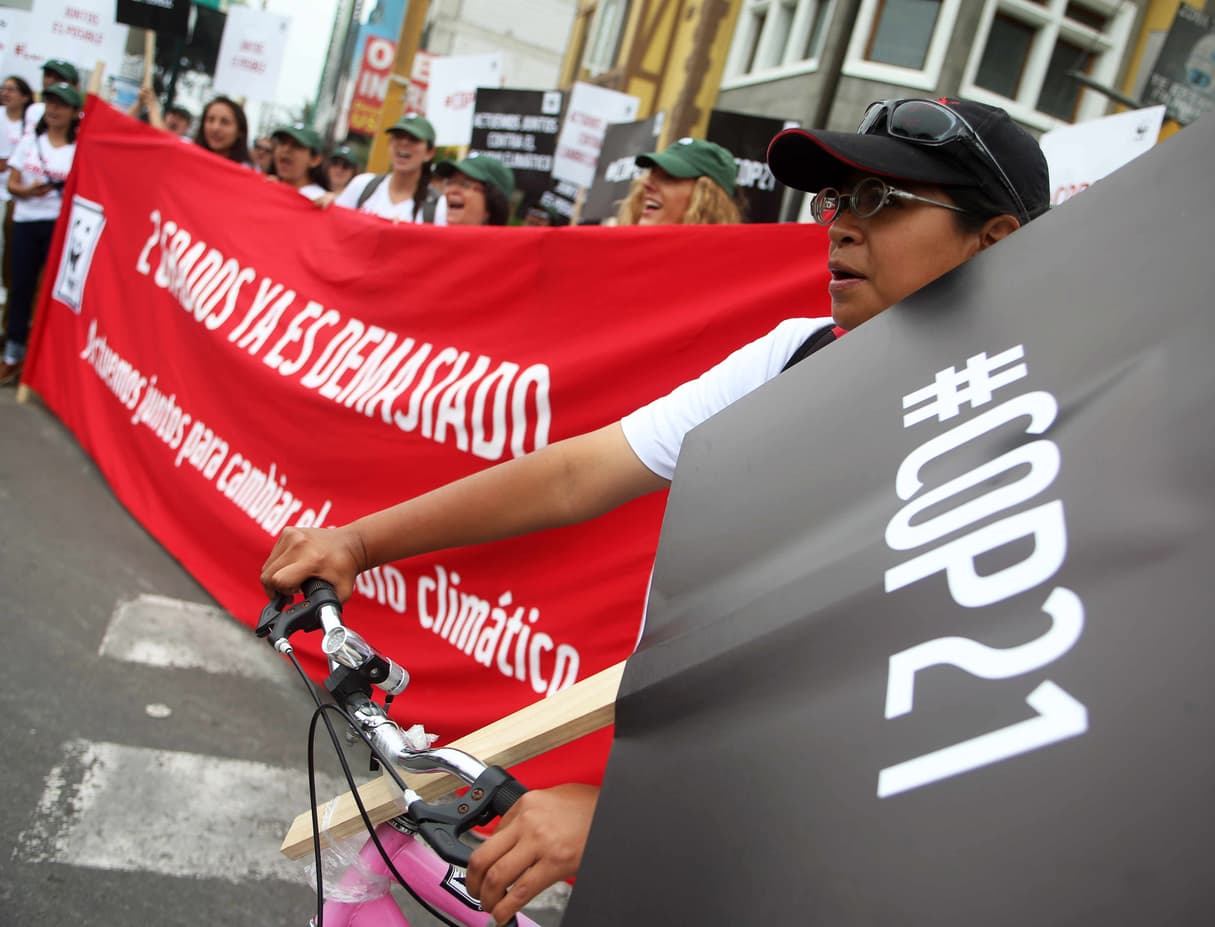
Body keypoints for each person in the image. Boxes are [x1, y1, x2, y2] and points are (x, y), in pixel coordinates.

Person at [260, 96, 1051, 923]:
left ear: (993, 242)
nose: (842, 227)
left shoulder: (1024, 460)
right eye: (839, 200)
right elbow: (580, 472)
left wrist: (620, 818)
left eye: (881, 202)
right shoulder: (794, 355)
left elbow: (919, 734)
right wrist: (357, 541)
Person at [0, 83, 81, 385]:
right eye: (50, 103)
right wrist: (27, 191)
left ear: (74, 112)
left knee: (48, 293)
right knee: (19, 288)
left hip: (57, 228)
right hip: (24, 222)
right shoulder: (30, 143)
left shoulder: (77, 150)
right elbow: (12, 183)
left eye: (61, 105)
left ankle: (40, 359)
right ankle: (12, 355)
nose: (54, 110)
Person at [329, 113, 438, 222]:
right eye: (398, 137)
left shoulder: (437, 207)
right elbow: (334, 227)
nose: (404, 143)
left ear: (429, 153)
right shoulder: (362, 185)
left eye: (414, 139)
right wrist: (325, 208)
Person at [614, 137, 742, 225]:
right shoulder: (616, 257)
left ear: (707, 200)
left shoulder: (722, 264)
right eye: (651, 175)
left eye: (668, 177)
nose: (646, 184)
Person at [0, 75, 34, 307]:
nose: (5, 93)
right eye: (4, 89)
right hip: (6, 192)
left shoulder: (31, 124)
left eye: (11, 90)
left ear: (24, 96)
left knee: (8, 249)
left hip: (16, 198)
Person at [434, 154, 515, 226]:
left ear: (493, 203)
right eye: (449, 183)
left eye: (464, 184)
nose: (450, 190)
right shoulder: (432, 241)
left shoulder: (506, 243)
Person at [268, 123, 327, 201]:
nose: (286, 149)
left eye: (296, 145)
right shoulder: (268, 186)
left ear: (314, 160)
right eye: (282, 143)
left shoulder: (319, 198)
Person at [23, 59, 79, 138]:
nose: (51, 81)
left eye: (59, 78)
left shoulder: (81, 120)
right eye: (48, 75)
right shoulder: (33, 109)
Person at [194, 96, 252, 165]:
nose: (215, 128)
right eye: (210, 119)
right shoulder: (188, 158)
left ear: (240, 131)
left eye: (225, 122)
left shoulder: (246, 169)